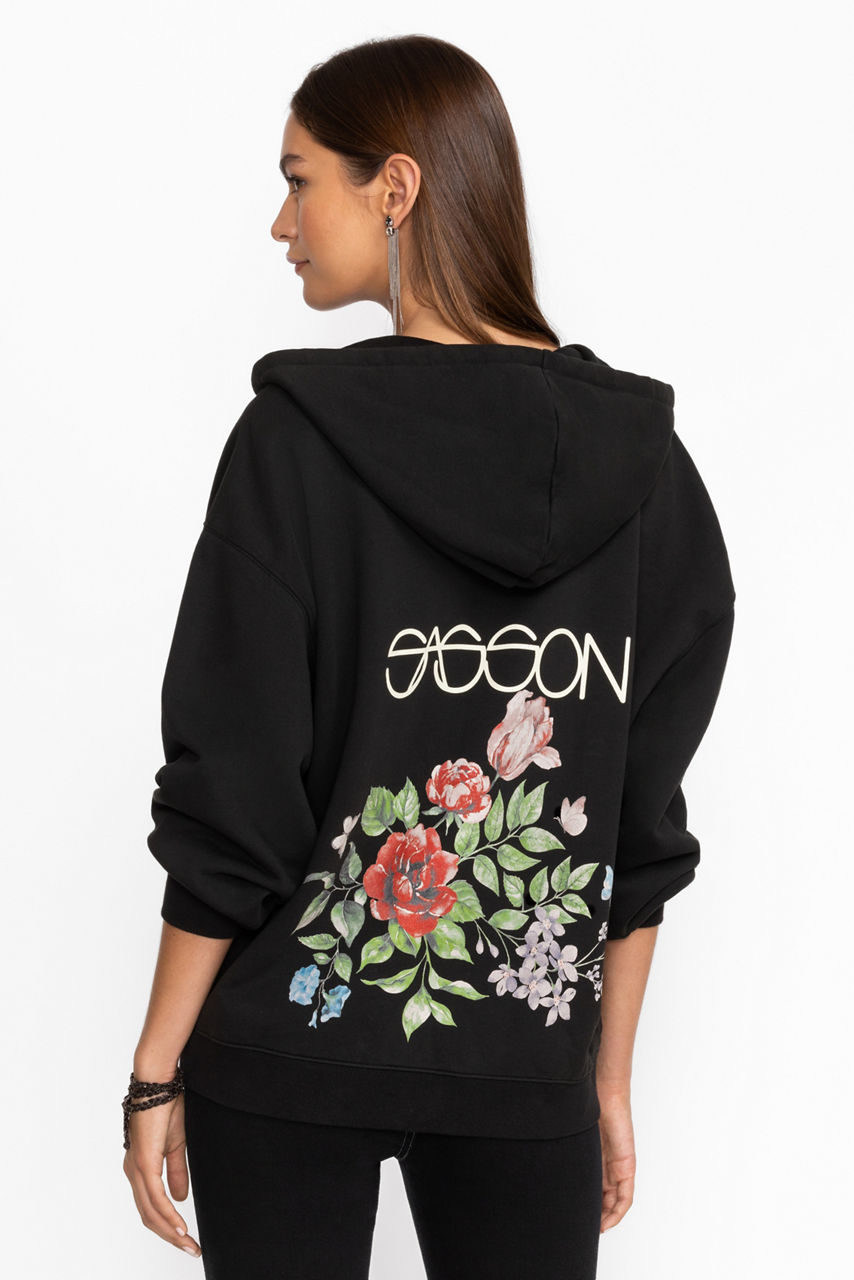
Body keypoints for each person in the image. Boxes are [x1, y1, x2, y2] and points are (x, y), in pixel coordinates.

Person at [123, 33, 736, 1280]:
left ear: (392, 187)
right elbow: (637, 823)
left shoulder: (292, 446)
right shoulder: (648, 474)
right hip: (527, 1066)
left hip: (287, 1052)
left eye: (299, 180)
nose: (281, 223)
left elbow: (232, 788)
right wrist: (601, 1076)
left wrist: (152, 1067)